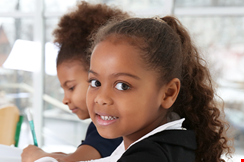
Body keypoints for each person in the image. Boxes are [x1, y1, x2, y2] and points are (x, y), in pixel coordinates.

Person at [84, 16, 232, 162]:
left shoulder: (149, 156)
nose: (101, 98)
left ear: (168, 93)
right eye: (95, 82)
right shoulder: (170, 146)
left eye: (122, 86)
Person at [21, 2, 129, 162]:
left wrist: (37, 157)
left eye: (71, 87)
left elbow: (75, 161)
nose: (65, 99)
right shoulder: (99, 125)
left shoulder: (109, 122)